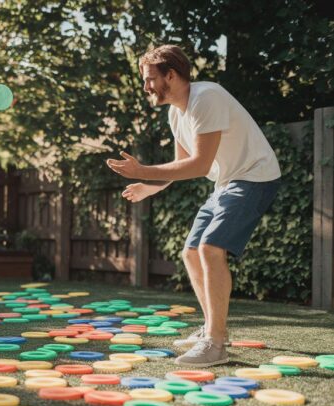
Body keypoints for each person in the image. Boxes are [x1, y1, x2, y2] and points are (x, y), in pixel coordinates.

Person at [107, 44, 281, 367]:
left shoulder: (206, 98)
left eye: (150, 79)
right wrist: (150, 186)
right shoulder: (176, 113)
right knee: (191, 251)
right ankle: (213, 329)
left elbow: (200, 165)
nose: (146, 87)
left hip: (255, 176)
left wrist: (142, 170)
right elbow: (181, 165)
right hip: (227, 182)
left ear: (171, 76)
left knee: (210, 247)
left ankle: (215, 343)